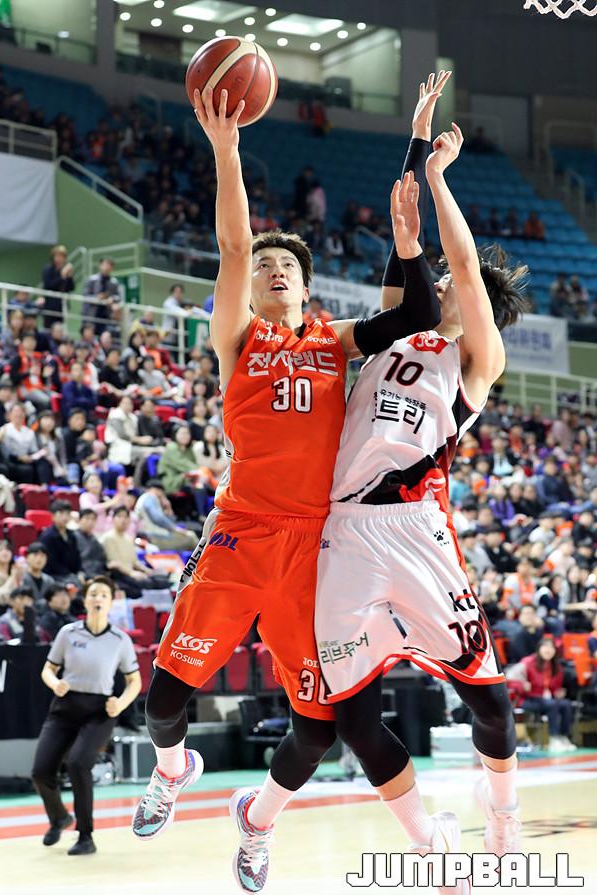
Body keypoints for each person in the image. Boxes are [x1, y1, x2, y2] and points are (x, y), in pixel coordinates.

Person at [131, 72, 444, 867]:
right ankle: (173, 769)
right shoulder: (238, 338)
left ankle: (259, 818)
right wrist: (226, 149)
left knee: (318, 726)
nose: (272, 269)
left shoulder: (333, 341)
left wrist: (414, 178)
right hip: (241, 534)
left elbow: (416, 314)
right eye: (264, 263)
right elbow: (235, 246)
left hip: (314, 550)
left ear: (306, 286)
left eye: (286, 265)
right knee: (162, 704)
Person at [313, 115, 528, 883]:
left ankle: (503, 817)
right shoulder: (396, 331)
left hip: (416, 532)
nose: (436, 285)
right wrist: (413, 150)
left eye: (446, 286)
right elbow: (401, 251)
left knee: (490, 703)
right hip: (345, 531)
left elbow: (464, 266)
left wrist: (439, 177)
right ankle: (430, 845)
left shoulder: (477, 358)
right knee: (352, 716)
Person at [32, 576, 141, 855]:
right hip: (65, 706)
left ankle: (85, 836)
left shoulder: (120, 640)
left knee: (79, 764)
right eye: (93, 593)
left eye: (104, 594)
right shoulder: (68, 633)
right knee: (41, 771)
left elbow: (135, 681)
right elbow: (48, 669)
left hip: (99, 711)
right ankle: (59, 817)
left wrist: (121, 703)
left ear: (111, 602)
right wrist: (55, 683)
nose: (98, 598)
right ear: (85, 600)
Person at [507, 638, 576, 752]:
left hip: (546, 699)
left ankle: (564, 737)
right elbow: (509, 679)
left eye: (551, 647)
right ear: (539, 648)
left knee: (566, 704)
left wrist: (557, 692)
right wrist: (522, 685)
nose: (548, 650)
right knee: (552, 704)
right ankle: (553, 738)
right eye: (545, 647)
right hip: (527, 699)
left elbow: (554, 687)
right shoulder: (527, 662)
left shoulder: (556, 666)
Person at [100, 506, 168, 599]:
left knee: (162, 580)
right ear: (113, 519)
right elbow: (114, 563)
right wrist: (132, 573)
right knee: (147, 584)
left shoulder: (128, 538)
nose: (123, 520)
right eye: (119, 516)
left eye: (126, 517)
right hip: (119, 575)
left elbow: (135, 562)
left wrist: (149, 571)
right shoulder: (107, 538)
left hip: (132, 573)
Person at [135, 479, 199, 552]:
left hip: (154, 536)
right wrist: (174, 528)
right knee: (191, 536)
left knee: (188, 535)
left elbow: (170, 520)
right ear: (157, 490)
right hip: (153, 538)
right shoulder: (150, 497)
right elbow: (157, 518)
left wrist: (168, 508)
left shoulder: (145, 498)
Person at [40, 501, 82, 586]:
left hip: (70, 575)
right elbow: (51, 563)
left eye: (67, 514)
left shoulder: (72, 535)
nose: (65, 517)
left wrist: (80, 572)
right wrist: (70, 575)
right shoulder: (47, 537)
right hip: (54, 576)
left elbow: (77, 557)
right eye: (61, 513)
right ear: (53, 516)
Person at [81, 258, 121, 335]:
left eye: (109, 265)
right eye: (105, 265)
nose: (107, 267)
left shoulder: (114, 282)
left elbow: (118, 296)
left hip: (106, 316)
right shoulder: (92, 280)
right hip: (92, 314)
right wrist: (97, 298)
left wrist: (112, 299)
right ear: (100, 266)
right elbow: (85, 296)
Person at [42, 245, 74, 329]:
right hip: (50, 304)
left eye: (62, 256)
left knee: (61, 328)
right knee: (48, 328)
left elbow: (71, 287)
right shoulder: (48, 269)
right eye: (57, 256)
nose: (59, 258)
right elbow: (48, 285)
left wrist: (69, 277)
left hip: (62, 305)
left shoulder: (65, 270)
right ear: (53, 257)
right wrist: (62, 276)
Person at [75, 509, 108, 578]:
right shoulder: (73, 538)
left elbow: (102, 559)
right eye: (87, 518)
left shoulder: (95, 540)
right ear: (79, 520)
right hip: (82, 574)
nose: (90, 522)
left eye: (93, 519)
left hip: (98, 573)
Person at [22, 542, 55, 607]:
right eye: (35, 555)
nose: (39, 559)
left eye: (43, 556)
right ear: (27, 557)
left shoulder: (49, 580)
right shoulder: (21, 578)